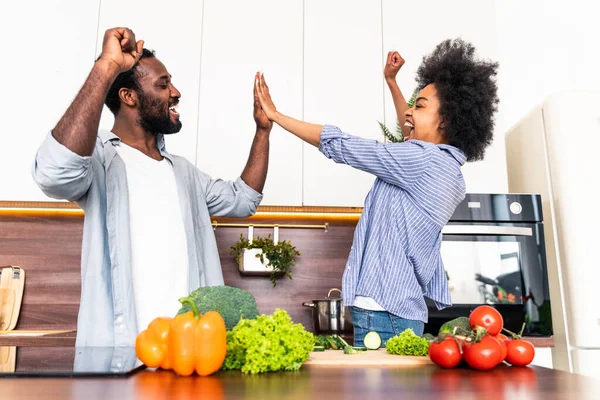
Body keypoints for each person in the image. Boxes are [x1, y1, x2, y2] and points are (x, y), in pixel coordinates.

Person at [32, 27, 272, 347]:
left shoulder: (184, 174)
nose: (176, 92)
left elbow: (243, 200)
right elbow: (54, 173)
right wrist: (107, 65)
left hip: (192, 355)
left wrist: (263, 132)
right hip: (123, 357)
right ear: (128, 96)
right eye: (163, 84)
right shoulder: (100, 161)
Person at [255, 38, 499, 347]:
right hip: (397, 310)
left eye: (419, 106)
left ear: (447, 119)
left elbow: (342, 145)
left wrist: (277, 116)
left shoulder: (421, 161)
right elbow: (413, 132)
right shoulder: (442, 165)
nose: (409, 113)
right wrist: (392, 82)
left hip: (383, 312)